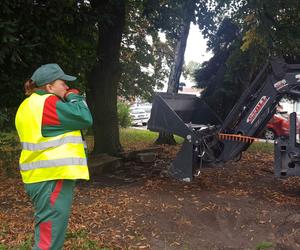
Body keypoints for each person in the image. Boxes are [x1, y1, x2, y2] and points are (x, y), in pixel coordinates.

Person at [15, 63, 93, 249]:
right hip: (51, 177)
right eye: (62, 83)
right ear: (49, 87)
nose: (66, 86)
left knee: (48, 231)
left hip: (40, 177)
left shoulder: (27, 105)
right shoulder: (48, 103)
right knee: (49, 239)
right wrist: (73, 96)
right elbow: (84, 118)